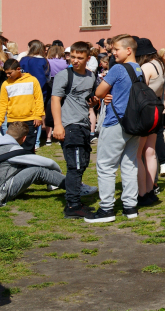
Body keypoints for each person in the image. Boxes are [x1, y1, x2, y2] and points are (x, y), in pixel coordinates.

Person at [87, 34, 146, 223]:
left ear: (128, 50)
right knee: (129, 165)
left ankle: (106, 209)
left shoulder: (118, 69)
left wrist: (106, 94)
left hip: (116, 121)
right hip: (133, 123)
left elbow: (98, 92)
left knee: (105, 165)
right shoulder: (139, 70)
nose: (113, 53)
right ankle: (130, 206)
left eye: (116, 50)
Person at [50, 42, 99, 218]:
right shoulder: (64, 75)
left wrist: (94, 102)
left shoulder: (91, 76)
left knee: (82, 163)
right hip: (70, 126)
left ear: (88, 58)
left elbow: (91, 99)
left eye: (80, 58)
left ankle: (76, 200)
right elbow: (55, 100)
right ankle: (72, 206)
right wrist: (58, 125)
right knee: (75, 166)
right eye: (73, 57)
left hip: (84, 125)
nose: (75, 61)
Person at [0, 121, 73, 206]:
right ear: (24, 138)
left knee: (27, 168)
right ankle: (76, 187)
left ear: (6, 132)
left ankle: (59, 183)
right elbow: (49, 163)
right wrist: (58, 170)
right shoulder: (14, 151)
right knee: (38, 171)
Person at [135, 38, 165, 200]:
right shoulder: (161, 65)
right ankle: (152, 186)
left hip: (145, 111)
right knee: (151, 152)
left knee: (139, 153)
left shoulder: (146, 67)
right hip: (156, 109)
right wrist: (161, 96)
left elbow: (140, 89)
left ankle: (143, 189)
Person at [0, 58, 45, 152]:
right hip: (13, 120)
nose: (8, 75)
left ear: (18, 69)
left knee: (29, 148)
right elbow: (2, 104)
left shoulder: (32, 80)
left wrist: (38, 116)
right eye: (6, 73)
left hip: (30, 120)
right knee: (13, 148)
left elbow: (38, 99)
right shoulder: (5, 84)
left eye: (10, 73)